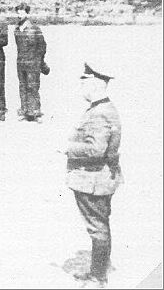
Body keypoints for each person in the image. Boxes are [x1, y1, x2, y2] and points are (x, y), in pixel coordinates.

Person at [63, 60, 123, 288]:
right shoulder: (104, 108)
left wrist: (67, 148)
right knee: (100, 224)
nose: (81, 87)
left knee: (97, 227)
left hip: (93, 179)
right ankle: (98, 272)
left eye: (84, 83)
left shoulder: (99, 113)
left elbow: (95, 150)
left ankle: (98, 277)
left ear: (95, 85)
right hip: (100, 177)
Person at [14, 4, 47, 122]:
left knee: (33, 87)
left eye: (22, 12)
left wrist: (39, 61)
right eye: (18, 12)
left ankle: (36, 112)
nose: (19, 15)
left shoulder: (35, 28)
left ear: (27, 14)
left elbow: (42, 46)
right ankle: (25, 110)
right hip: (21, 62)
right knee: (22, 86)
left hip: (33, 62)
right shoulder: (17, 29)